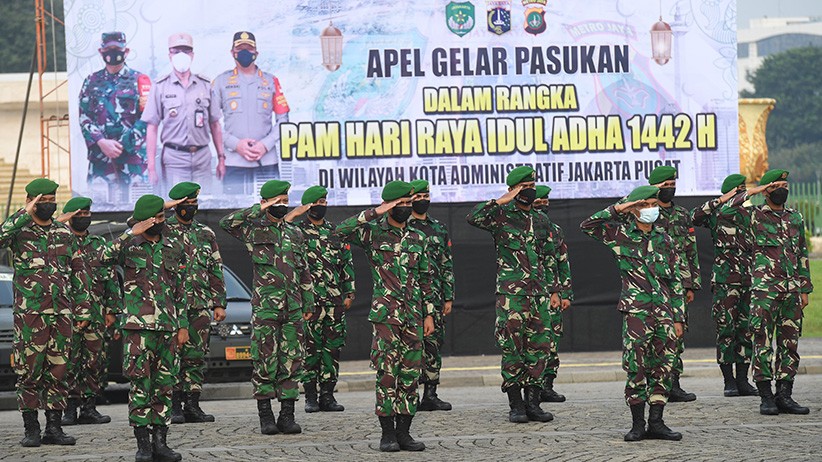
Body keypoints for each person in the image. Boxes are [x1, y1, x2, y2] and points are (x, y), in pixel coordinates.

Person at [336, 180, 436, 452]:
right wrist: (376, 212)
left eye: (408, 203)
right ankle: (387, 434)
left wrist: (429, 315)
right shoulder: (373, 234)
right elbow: (340, 231)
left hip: (413, 316)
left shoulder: (418, 238)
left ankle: (405, 432)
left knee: (410, 374)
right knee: (387, 374)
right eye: (400, 203)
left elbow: (425, 278)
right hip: (386, 317)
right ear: (390, 205)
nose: (406, 207)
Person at [581, 185, 684, 442]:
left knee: (664, 367)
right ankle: (638, 424)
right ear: (634, 209)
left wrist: (679, 316)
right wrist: (618, 208)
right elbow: (588, 225)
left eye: (654, 204)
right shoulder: (619, 236)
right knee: (636, 366)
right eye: (646, 204)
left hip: (664, 313)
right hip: (636, 312)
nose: (652, 209)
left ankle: (657, 422)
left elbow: (676, 281)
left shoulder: (665, 239)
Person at [0, 179, 91, 447]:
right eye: (44, 200)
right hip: (31, 316)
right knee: (29, 373)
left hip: (62, 314)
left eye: (53, 199)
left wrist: (83, 309)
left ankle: (54, 427)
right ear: (32, 201)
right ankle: (31, 428)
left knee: (58, 371)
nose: (49, 204)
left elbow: (78, 272)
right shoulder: (20, 232)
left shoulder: (63, 234)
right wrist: (23, 212)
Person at [98, 194, 189, 462]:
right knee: (141, 385)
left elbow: (179, 290)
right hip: (138, 329)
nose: (162, 222)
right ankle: (143, 445)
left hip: (167, 328)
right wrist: (129, 233)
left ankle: (161, 443)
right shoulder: (129, 246)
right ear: (144, 221)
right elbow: (101, 259)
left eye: (163, 217)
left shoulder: (173, 247)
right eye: (157, 218)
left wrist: (182, 325)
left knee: (164, 386)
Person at [220, 180, 314, 435]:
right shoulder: (253, 230)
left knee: (292, 361)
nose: (283, 205)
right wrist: (258, 209)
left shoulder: (295, 233)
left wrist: (308, 302)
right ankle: (266, 415)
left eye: (285, 200)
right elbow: (226, 223)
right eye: (278, 201)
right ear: (267, 203)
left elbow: (303, 271)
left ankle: (287, 415)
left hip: (293, 307)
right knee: (265, 360)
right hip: (266, 309)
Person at [466, 166, 557, 424]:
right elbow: (472, 218)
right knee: (513, 348)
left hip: (538, 294)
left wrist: (553, 290)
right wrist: (499, 201)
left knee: (539, 348)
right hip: (512, 295)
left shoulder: (541, 220)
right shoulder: (501, 216)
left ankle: (533, 403)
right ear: (513, 190)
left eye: (533, 184)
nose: (530, 189)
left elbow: (548, 256)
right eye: (524, 186)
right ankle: (516, 405)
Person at [724, 169, 813, 415]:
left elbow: (801, 255)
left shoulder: (795, 217)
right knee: (762, 343)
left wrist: (804, 288)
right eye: (777, 185)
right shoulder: (753, 216)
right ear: (767, 190)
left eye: (785, 184)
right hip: (765, 291)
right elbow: (725, 210)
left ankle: (785, 395)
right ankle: (766, 396)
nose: (783, 188)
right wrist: (754, 191)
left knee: (789, 343)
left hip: (791, 291)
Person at [285, 185, 355, 413]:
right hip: (309, 302)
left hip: (334, 301)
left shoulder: (334, 232)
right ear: (307, 207)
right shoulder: (296, 231)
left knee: (332, 349)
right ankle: (311, 397)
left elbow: (346, 263)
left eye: (324, 202)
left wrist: (349, 290)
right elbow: (278, 229)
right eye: (317, 203)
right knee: (310, 350)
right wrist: (294, 213)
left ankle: (328, 396)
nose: (321, 207)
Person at [690, 174, 759, 397]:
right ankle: (728, 381)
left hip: (748, 280)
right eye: (738, 192)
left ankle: (743, 380)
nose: (742, 197)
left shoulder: (750, 216)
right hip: (724, 281)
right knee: (726, 330)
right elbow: (693, 216)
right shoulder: (717, 215)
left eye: (743, 192)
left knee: (746, 330)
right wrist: (720, 201)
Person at [165, 182, 227, 424]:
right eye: (187, 203)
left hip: (199, 305)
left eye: (194, 203)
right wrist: (164, 206)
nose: (192, 207)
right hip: (171, 306)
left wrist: (218, 303)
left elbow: (215, 269)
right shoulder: (162, 229)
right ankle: (173, 405)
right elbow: (135, 221)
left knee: (195, 357)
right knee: (172, 356)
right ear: (176, 205)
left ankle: (192, 404)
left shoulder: (205, 233)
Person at [57, 197, 120, 427]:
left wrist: (112, 309)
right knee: (70, 362)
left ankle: (89, 408)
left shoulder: (98, 244)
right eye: (79, 214)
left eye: (87, 213)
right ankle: (69, 409)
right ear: (69, 217)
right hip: (68, 315)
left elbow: (111, 277)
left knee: (95, 362)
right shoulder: (61, 243)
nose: (84, 217)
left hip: (96, 313)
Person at [142, 33, 225, 194]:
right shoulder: (160, 86)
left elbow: (215, 124)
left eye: (186, 51)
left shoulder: (205, 85)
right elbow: (152, 128)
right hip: (174, 159)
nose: (181, 55)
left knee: (205, 205)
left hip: (202, 158)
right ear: (169, 55)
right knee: (177, 207)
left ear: (192, 55)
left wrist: (221, 158)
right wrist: (151, 166)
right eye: (176, 51)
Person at [212, 31, 290, 194]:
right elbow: (211, 122)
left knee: (273, 209)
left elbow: (284, 120)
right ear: (232, 52)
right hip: (233, 162)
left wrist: (265, 145)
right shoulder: (220, 82)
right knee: (234, 213)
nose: (245, 52)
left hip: (267, 161)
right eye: (240, 48)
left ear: (256, 53)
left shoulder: (271, 81)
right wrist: (235, 144)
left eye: (249, 48)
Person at [647, 166, 701, 402]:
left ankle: (673, 384)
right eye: (664, 186)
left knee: (676, 335)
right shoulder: (644, 212)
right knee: (652, 336)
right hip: (652, 284)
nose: (670, 189)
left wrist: (691, 284)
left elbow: (691, 251)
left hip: (678, 285)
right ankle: (653, 385)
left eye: (672, 185)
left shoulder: (682, 215)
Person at [78, 32, 151, 204]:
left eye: (117, 49)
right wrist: (102, 142)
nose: (112, 53)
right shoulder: (91, 81)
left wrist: (121, 144)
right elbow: (84, 117)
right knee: (101, 212)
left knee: (140, 211)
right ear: (101, 51)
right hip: (101, 162)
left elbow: (148, 116)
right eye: (108, 49)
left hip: (133, 161)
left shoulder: (140, 80)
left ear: (126, 51)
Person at [408, 179, 455, 412]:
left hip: (434, 298)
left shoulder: (438, 228)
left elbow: (446, 264)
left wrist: (448, 296)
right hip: (406, 299)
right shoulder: (403, 227)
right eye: (418, 198)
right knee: (409, 347)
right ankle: (408, 395)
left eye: (426, 197)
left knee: (433, 345)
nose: (423, 201)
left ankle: (431, 394)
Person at [533, 185, 573, 403]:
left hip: (554, 294)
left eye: (546, 199)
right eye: (539, 200)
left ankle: (547, 385)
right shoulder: (522, 228)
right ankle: (532, 389)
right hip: (531, 295)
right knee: (533, 344)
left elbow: (562, 263)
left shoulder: (555, 230)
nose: (543, 203)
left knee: (552, 342)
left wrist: (565, 293)